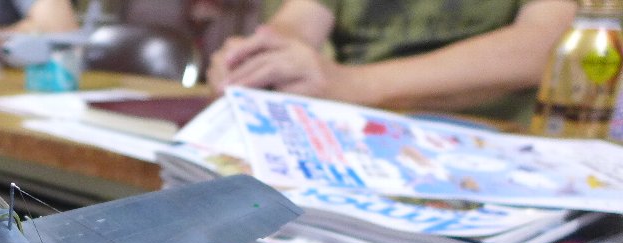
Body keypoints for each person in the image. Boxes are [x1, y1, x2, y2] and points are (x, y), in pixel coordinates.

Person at [206, 0, 577, 122]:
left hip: (489, 135)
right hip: (355, 130)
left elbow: (548, 44)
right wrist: (262, 56)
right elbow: (300, 19)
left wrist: (354, 85)